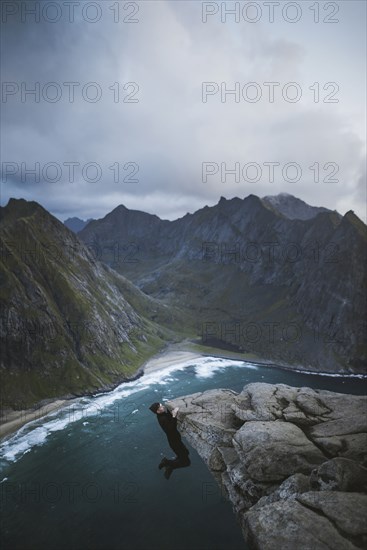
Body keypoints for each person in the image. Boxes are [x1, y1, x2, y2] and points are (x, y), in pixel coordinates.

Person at [149, 402, 191, 479]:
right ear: (157, 411)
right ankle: (167, 463)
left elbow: (167, 416)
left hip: (174, 441)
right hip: (175, 442)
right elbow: (171, 429)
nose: (163, 406)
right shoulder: (162, 418)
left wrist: (171, 410)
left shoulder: (161, 415)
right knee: (186, 462)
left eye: (161, 405)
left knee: (185, 454)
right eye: (160, 406)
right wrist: (174, 416)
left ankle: (170, 466)